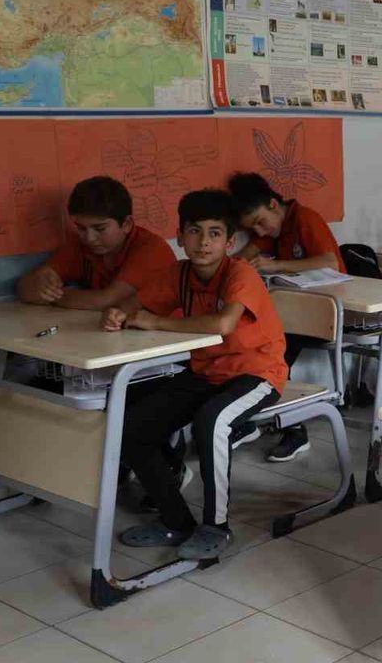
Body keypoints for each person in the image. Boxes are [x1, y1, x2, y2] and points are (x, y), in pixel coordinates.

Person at [104, 189, 286, 560]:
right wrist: (119, 314)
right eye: (194, 231)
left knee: (212, 421)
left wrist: (155, 321)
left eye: (215, 233)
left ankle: (216, 527)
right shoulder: (180, 274)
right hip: (206, 373)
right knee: (131, 428)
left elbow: (222, 324)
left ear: (230, 242)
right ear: (179, 236)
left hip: (257, 374)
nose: (204, 242)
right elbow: (135, 304)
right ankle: (176, 521)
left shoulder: (240, 273)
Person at [229, 172, 344, 463]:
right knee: (250, 343)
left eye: (260, 222)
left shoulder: (304, 218)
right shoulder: (274, 228)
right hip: (297, 312)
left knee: (274, 352)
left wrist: (276, 266)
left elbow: (330, 262)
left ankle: (294, 429)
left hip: (326, 313)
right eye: (252, 228)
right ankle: (249, 420)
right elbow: (242, 258)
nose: (260, 231)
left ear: (273, 205)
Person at [17, 176, 176, 311]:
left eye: (100, 229)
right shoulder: (80, 245)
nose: (89, 238)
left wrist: (52, 295)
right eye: (81, 228)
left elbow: (106, 300)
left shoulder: (151, 249)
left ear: (126, 224)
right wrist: (40, 284)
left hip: (168, 334)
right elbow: (26, 287)